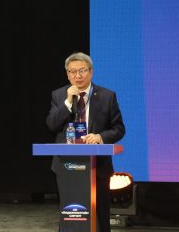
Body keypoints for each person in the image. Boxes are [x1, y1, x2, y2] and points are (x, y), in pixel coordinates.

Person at [46, 52, 125, 232]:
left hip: (98, 166)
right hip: (66, 166)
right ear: (67, 74)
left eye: (82, 70)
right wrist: (67, 102)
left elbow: (119, 128)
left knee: (99, 216)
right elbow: (51, 125)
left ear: (91, 72)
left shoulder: (107, 96)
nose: (78, 75)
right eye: (72, 72)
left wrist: (100, 137)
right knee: (70, 213)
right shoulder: (59, 95)